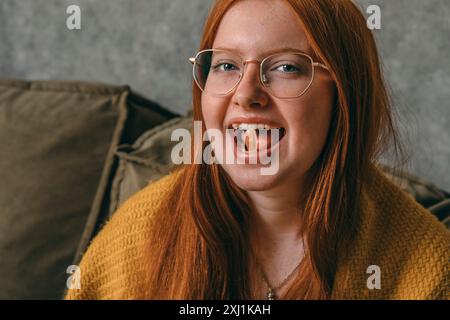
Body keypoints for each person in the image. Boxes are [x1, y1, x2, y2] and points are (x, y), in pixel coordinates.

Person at [66, 0, 449, 300]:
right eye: (227, 65)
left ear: (345, 94)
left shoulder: (428, 266)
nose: (246, 95)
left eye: (285, 68)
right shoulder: (140, 231)